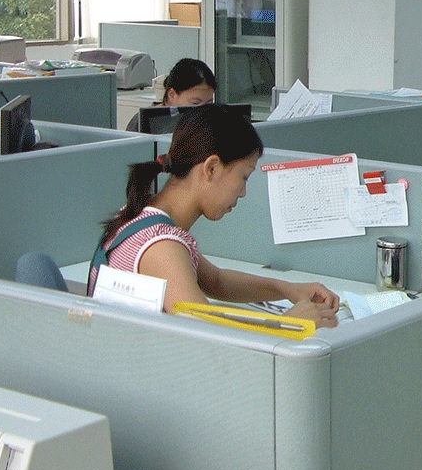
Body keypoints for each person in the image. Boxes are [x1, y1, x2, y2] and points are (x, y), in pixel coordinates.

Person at [91, 103, 340, 328]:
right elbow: (211, 334)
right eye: (243, 177)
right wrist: (288, 323)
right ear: (211, 168)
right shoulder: (161, 246)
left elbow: (217, 281)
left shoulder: (142, 216)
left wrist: (286, 289)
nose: (243, 193)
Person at [126, 57, 217, 131]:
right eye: (195, 103)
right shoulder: (143, 123)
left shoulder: (208, 123)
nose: (203, 111)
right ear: (172, 95)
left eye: (209, 104)